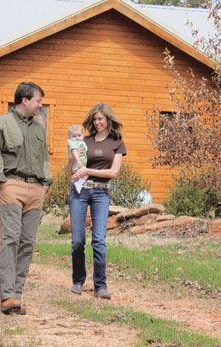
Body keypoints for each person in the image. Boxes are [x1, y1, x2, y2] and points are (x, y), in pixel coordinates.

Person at [0, 81, 52, 315]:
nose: (40, 106)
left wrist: (45, 183)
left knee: (27, 244)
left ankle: (17, 297)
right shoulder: (1, 123)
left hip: (36, 190)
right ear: (25, 100)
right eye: (38, 101)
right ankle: (7, 296)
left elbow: (44, 158)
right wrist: (1, 182)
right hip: (11, 186)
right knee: (9, 239)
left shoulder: (38, 128)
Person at [67, 103, 126, 300]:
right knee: (77, 240)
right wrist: (71, 160)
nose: (97, 122)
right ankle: (78, 281)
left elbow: (114, 172)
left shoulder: (116, 143)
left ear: (108, 119)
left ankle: (100, 285)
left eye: (100, 118)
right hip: (80, 192)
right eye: (95, 119)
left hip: (101, 193)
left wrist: (90, 171)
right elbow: (72, 171)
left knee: (99, 240)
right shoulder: (84, 141)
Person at [67, 124, 88, 194]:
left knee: (87, 173)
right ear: (69, 137)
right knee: (85, 174)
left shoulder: (83, 143)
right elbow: (74, 151)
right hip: (77, 164)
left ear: (83, 135)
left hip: (83, 165)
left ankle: (78, 183)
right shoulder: (72, 143)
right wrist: (78, 161)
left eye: (79, 136)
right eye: (74, 136)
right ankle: (78, 184)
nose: (77, 138)